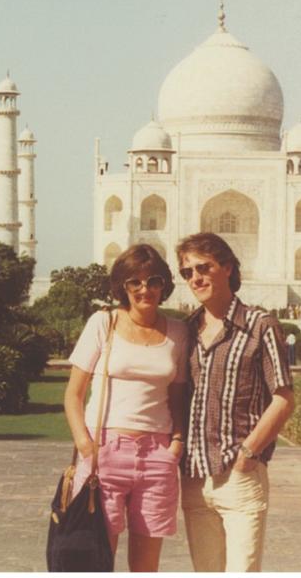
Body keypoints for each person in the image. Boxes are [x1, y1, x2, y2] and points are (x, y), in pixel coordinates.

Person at [64, 244, 189, 572]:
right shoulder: (103, 322)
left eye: (154, 281)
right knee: (97, 560)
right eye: (135, 282)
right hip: (105, 451)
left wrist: (176, 442)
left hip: (157, 456)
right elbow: (74, 393)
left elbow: (177, 397)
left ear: (165, 285)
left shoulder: (177, 332)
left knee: (146, 568)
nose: (144, 289)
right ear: (123, 286)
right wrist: (84, 444)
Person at [176, 233, 295, 572]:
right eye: (187, 272)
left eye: (204, 267)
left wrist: (248, 453)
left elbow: (284, 398)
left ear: (227, 267)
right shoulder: (187, 331)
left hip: (240, 477)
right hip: (196, 479)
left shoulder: (260, 325)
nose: (196, 278)